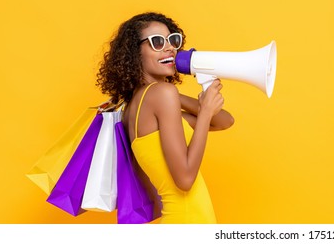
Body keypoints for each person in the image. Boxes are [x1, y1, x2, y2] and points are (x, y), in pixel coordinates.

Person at [96, 12, 234, 223]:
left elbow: (224, 121)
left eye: (173, 40)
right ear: (135, 53)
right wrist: (204, 111)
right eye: (157, 42)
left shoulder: (141, 101)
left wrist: (185, 100)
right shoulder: (161, 94)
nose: (170, 47)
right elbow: (185, 180)